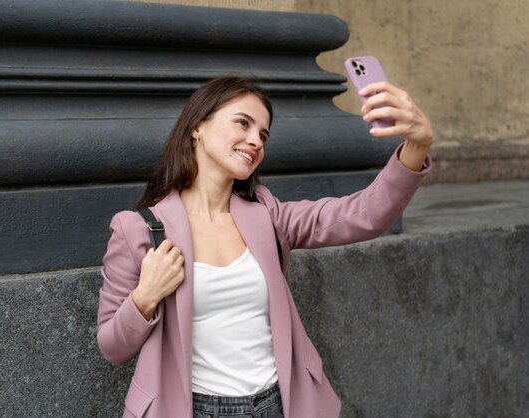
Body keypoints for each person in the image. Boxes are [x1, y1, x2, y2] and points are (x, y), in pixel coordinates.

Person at [97, 76, 433, 418]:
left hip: (278, 404)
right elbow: (111, 347)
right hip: (193, 409)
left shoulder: (266, 215)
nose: (255, 140)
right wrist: (145, 297)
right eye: (243, 123)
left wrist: (417, 146)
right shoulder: (139, 229)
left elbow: (366, 215)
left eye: (263, 134)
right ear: (198, 126)